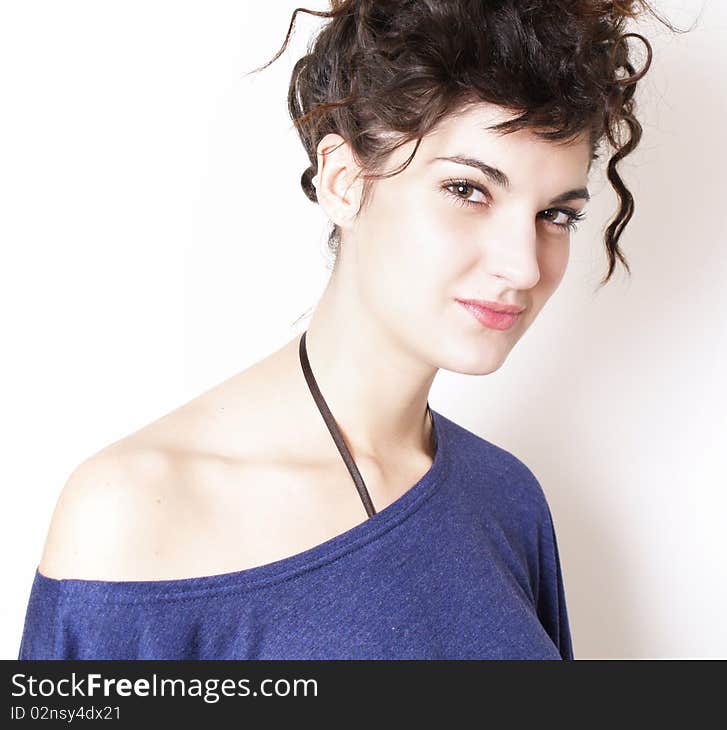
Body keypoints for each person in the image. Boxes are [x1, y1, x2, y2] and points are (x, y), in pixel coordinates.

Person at [19, 0, 669, 660]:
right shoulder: (135, 511)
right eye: (468, 190)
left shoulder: (507, 501)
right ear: (343, 180)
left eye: (556, 215)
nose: (523, 264)